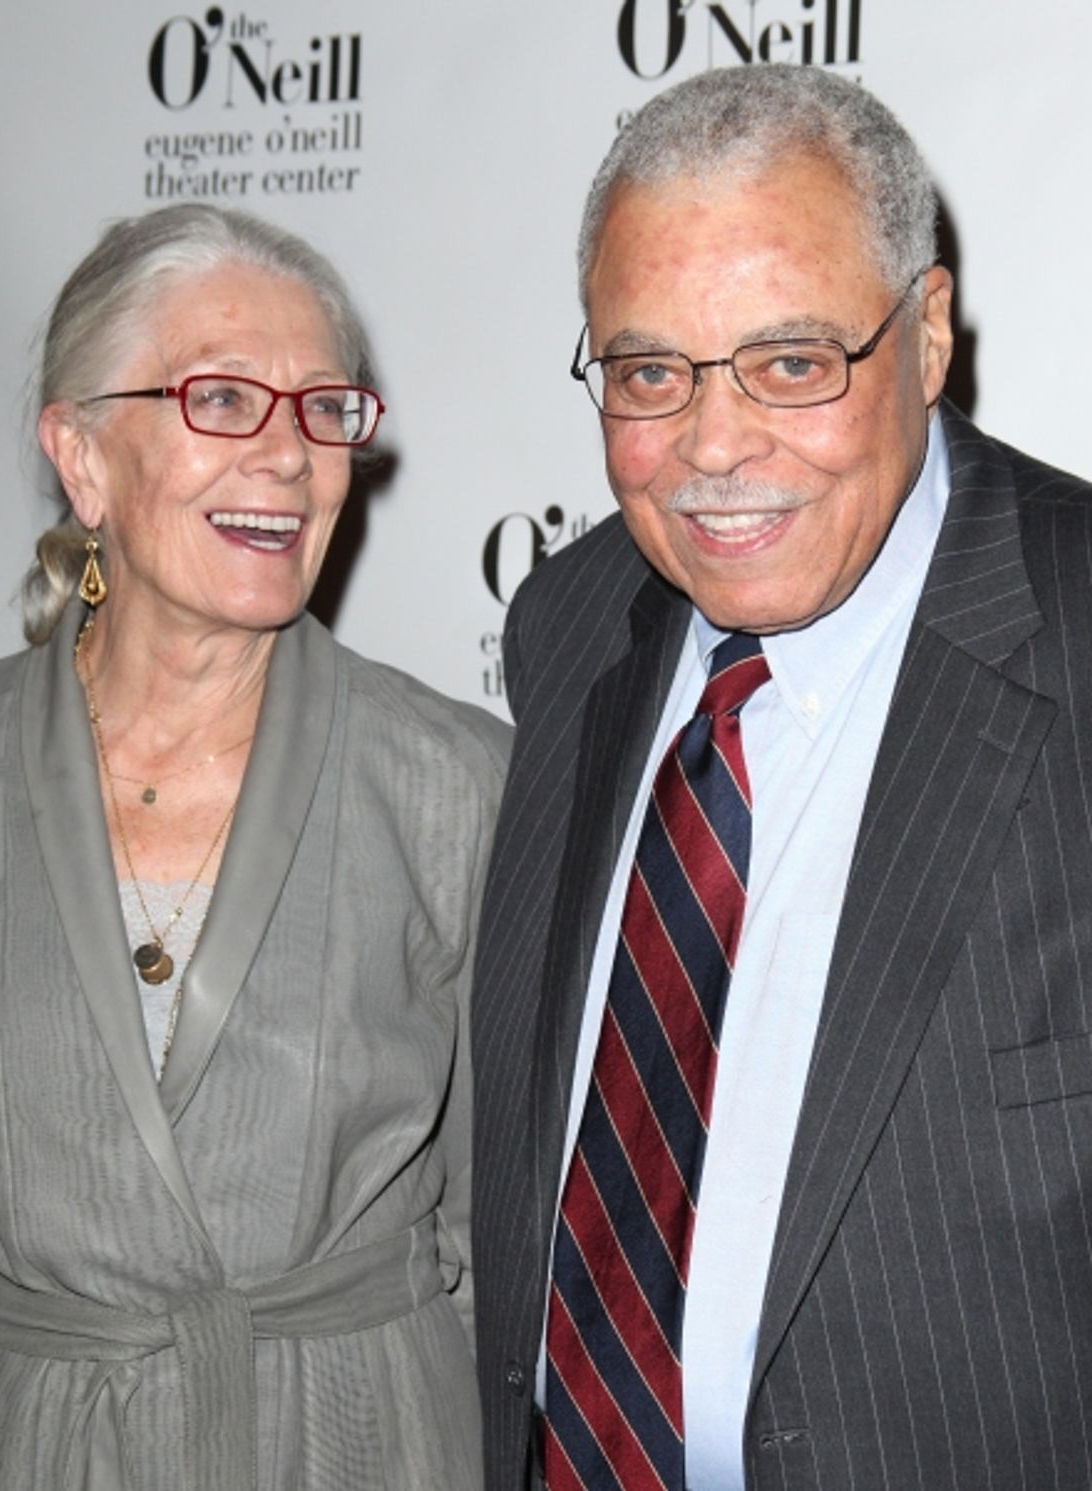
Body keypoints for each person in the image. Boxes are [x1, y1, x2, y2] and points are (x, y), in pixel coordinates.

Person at [472, 62, 1092, 1491]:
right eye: (648, 373)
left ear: (926, 335)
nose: (713, 446)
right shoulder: (570, 626)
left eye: (793, 363)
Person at [0, 202, 509, 1491]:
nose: (289, 457)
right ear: (83, 456)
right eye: (224, 400)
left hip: (356, 1444)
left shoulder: (458, 781)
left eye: (321, 407)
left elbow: (497, 1232)